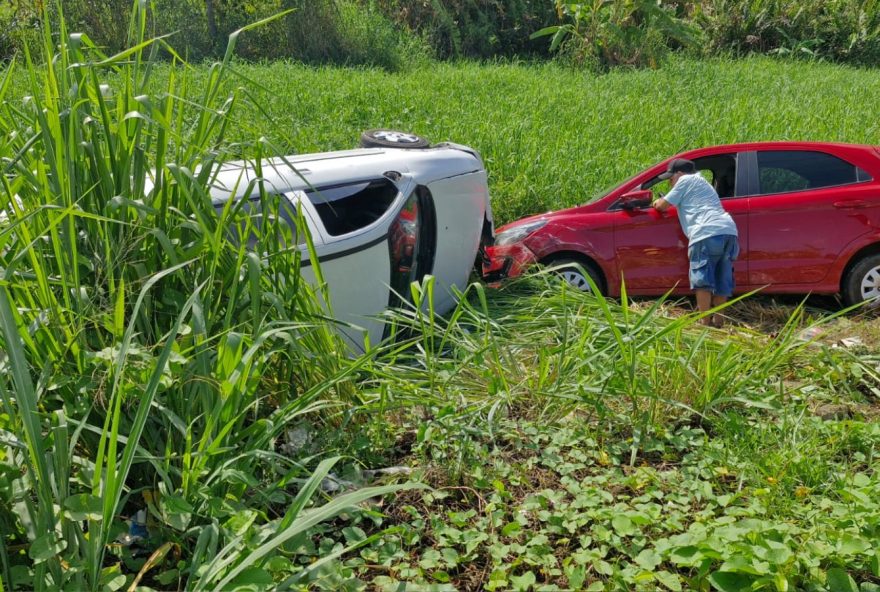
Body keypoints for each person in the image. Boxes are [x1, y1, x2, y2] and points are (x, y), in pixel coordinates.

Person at [652, 158, 739, 327]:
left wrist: (656, 201)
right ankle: (719, 321)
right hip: (728, 231)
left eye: (671, 179)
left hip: (706, 233)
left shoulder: (685, 180)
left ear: (680, 173)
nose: (671, 183)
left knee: (703, 279)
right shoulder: (703, 183)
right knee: (722, 278)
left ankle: (704, 323)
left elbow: (662, 206)